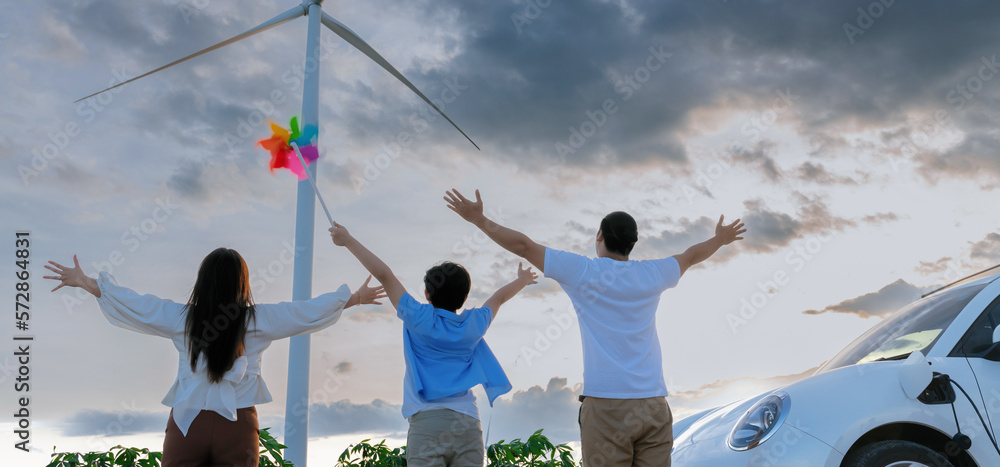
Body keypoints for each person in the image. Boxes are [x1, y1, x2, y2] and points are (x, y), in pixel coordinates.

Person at [443, 188, 746, 467]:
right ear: (632, 243)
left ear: (600, 235)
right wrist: (720, 239)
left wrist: (480, 220)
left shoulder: (584, 272)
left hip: (607, 407)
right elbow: (691, 255)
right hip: (653, 404)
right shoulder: (654, 273)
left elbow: (524, 246)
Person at [44, 249, 385, 467]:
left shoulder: (181, 319)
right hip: (237, 425)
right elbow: (303, 312)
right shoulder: (260, 320)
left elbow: (138, 304)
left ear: (202, 282)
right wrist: (353, 298)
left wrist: (87, 282)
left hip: (186, 424)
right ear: (243, 283)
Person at [328, 221, 536, 467]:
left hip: (427, 424)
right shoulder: (474, 324)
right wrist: (522, 280)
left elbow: (385, 275)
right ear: (464, 296)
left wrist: (347, 240)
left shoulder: (418, 317)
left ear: (427, 293)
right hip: (467, 423)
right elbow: (498, 298)